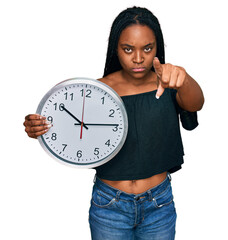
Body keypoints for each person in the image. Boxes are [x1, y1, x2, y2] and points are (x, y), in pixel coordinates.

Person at [23, 6, 204, 240]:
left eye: (147, 48)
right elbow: (63, 123)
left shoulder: (168, 83)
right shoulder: (96, 91)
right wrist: (39, 126)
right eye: (128, 49)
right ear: (115, 49)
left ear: (157, 47)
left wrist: (184, 77)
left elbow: (195, 104)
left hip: (158, 204)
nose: (138, 58)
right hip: (109, 205)